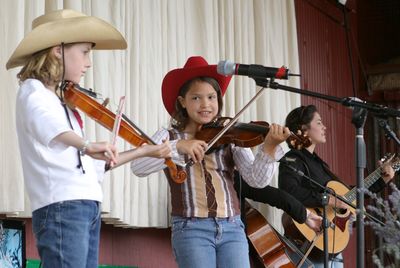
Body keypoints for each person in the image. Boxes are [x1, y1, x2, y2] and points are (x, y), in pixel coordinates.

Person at [6, 9, 171, 268]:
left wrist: (144, 151)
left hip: (86, 205)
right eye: (84, 52)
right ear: (57, 50)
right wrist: (86, 144)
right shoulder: (33, 91)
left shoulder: (66, 104)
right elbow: (47, 126)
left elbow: (94, 165)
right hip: (61, 206)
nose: (88, 63)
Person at [130, 56, 291, 268]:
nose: (205, 104)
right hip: (191, 228)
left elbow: (256, 180)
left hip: (233, 227)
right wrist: (176, 146)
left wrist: (268, 148)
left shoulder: (229, 135)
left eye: (211, 97)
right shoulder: (168, 136)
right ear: (182, 102)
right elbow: (138, 167)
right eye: (196, 98)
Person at [278, 104, 395, 268]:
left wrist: (382, 180)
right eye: (319, 122)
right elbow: (287, 191)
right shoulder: (293, 159)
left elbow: (350, 195)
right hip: (308, 244)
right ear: (303, 128)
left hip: (332, 247)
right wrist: (328, 199)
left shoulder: (320, 164)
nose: (324, 126)